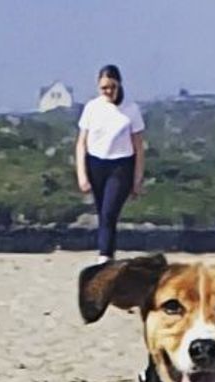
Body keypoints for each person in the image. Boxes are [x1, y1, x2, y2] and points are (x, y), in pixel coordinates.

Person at [75, 65, 145, 263]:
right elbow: (81, 143)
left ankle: (104, 257)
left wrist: (137, 180)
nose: (108, 92)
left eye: (111, 87)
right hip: (96, 163)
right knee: (102, 213)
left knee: (109, 212)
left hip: (121, 165)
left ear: (119, 85)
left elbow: (139, 147)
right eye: (104, 88)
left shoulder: (131, 110)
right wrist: (82, 175)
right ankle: (107, 254)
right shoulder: (92, 107)